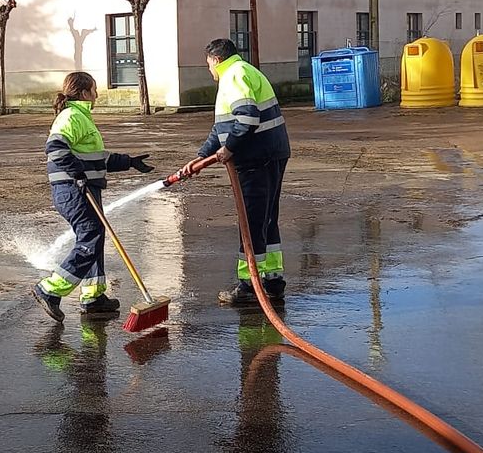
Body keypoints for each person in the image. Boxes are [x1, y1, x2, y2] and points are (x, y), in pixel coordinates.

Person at [32, 72, 154, 322]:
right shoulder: (71, 116)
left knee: (95, 236)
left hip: (84, 188)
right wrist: (77, 174)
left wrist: (129, 162)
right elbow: (55, 149)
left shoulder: (83, 118)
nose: (97, 95)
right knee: (91, 237)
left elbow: (98, 159)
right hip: (73, 190)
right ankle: (49, 290)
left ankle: (93, 295)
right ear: (85, 93)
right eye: (95, 90)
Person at [181, 38, 291, 306]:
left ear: (216, 60)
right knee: (266, 219)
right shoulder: (246, 71)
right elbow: (222, 127)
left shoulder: (233, 75)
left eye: (208, 65)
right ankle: (272, 280)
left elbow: (247, 117)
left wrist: (230, 148)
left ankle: (248, 285)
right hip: (270, 153)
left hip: (255, 158)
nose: (210, 72)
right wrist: (200, 157)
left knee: (251, 221)